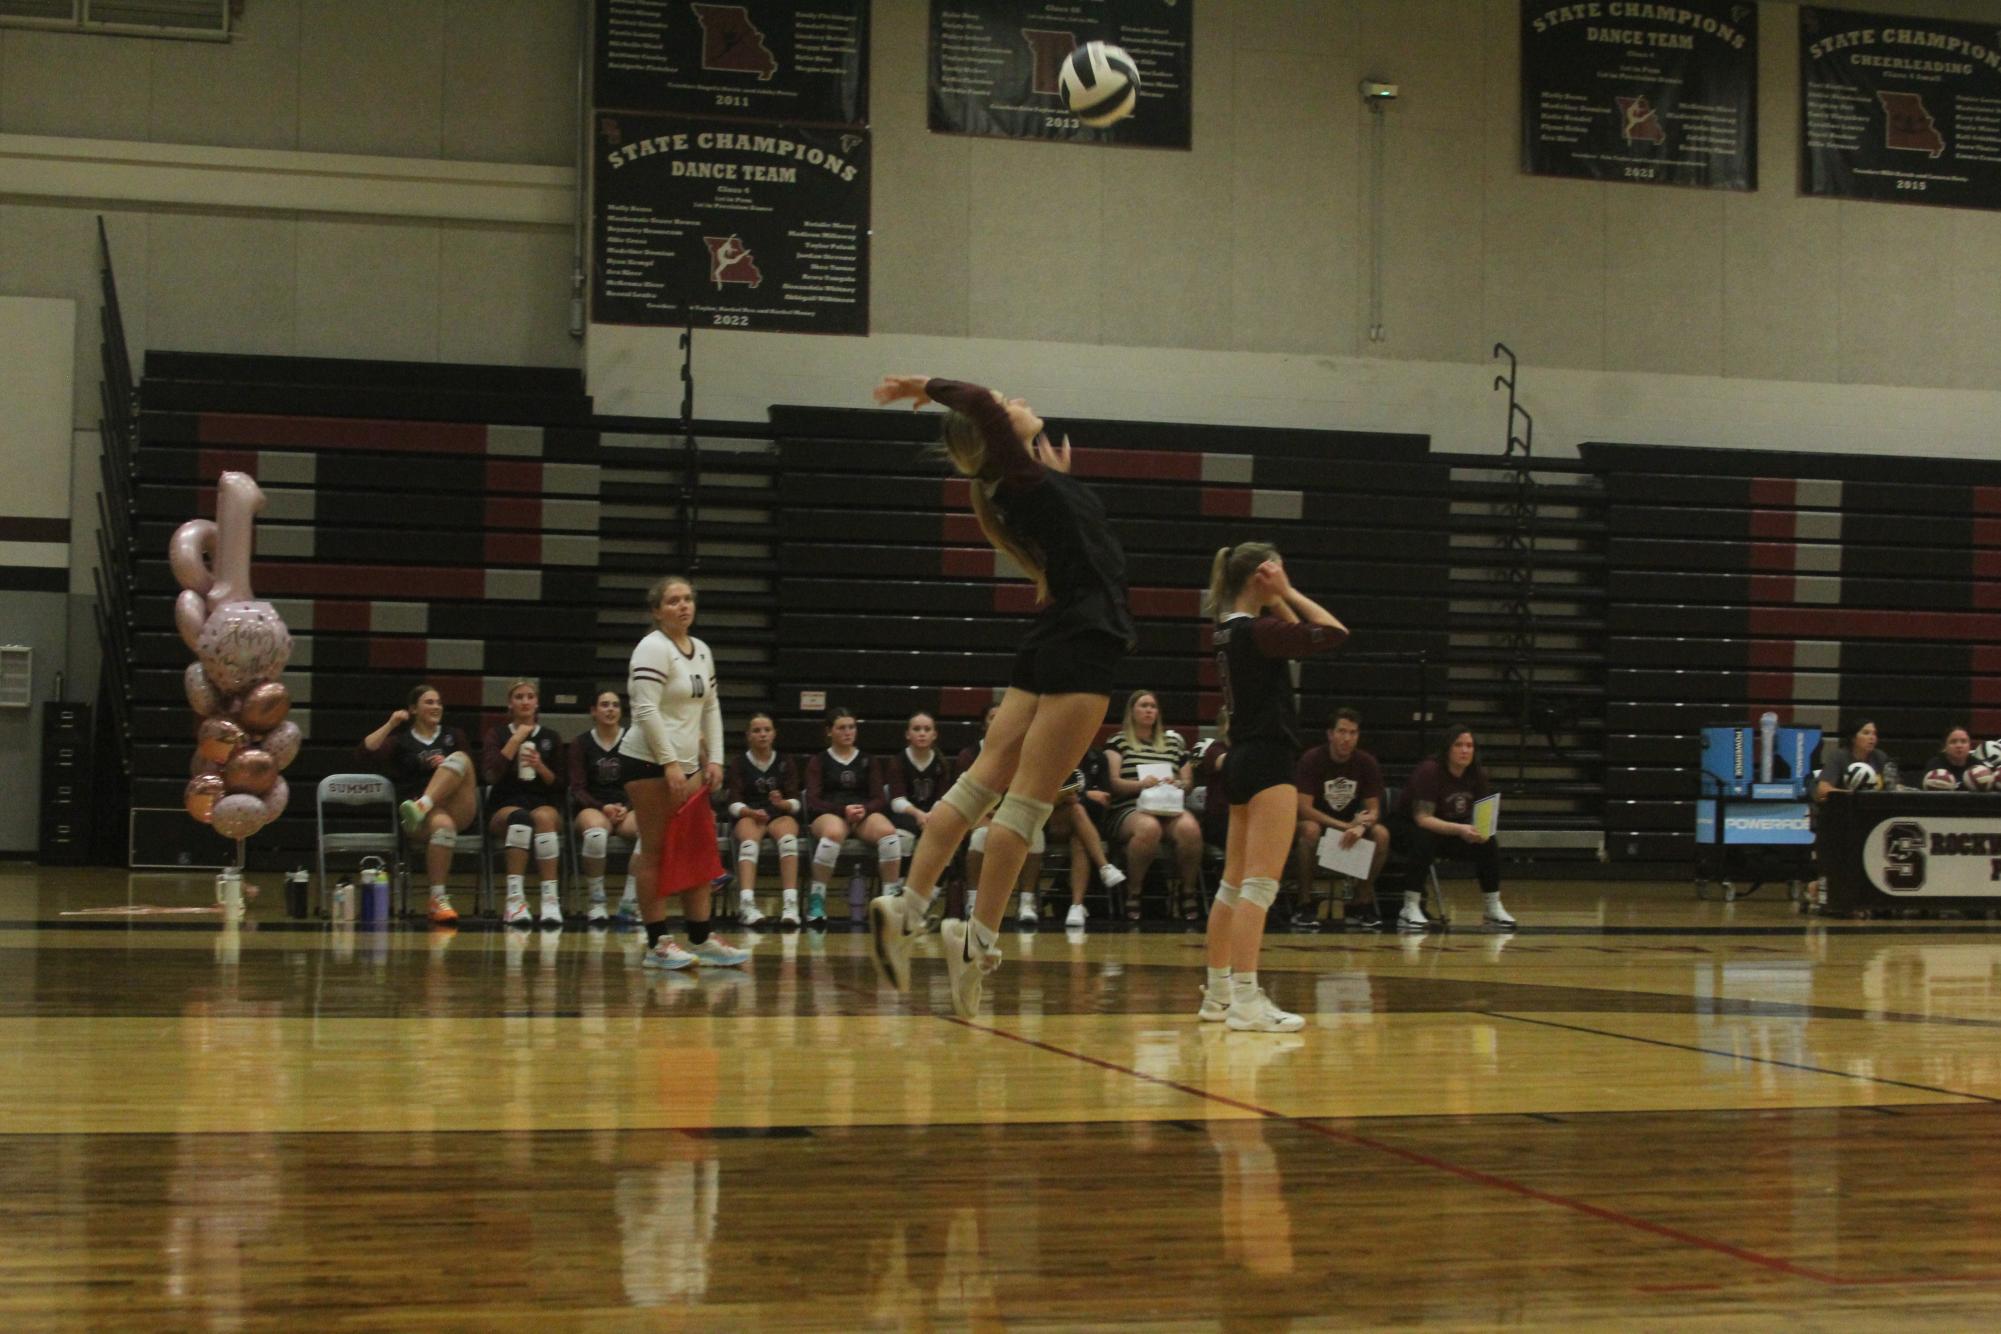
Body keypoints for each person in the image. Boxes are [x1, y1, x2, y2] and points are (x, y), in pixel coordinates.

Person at [866, 373, 1135, 1017]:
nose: (1016, 401)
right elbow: (982, 403)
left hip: (1053, 636)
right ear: (995, 436)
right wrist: (924, 385)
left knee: (982, 783)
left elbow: (1075, 539)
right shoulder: (1014, 475)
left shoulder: (1017, 486)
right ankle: (975, 939)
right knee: (1028, 804)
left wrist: (1061, 477)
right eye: (1010, 406)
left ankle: (908, 907)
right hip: (1085, 639)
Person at [1197, 544, 1348, 1032]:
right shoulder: (1259, 631)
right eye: (1279, 570)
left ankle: (1219, 993)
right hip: (1268, 760)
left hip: (1240, 758)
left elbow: (1298, 636)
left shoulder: (1227, 630)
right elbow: (1332, 633)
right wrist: (1289, 593)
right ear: (1263, 577)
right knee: (1259, 888)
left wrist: (1273, 594)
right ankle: (1246, 998)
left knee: (1233, 884)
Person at [620, 575, 749, 970]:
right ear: (657, 611)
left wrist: (715, 760)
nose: (683, 606)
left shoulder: (702, 650)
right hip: (648, 762)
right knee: (655, 850)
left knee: (697, 849)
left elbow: (710, 708)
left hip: (689, 764)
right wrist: (669, 762)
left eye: (688, 599)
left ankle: (700, 937)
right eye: (673, 601)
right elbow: (646, 711)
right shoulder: (652, 648)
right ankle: (657, 942)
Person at [365, 683, 476, 924]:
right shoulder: (401, 741)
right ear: (413, 709)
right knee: (443, 827)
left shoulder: (453, 735)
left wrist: (446, 764)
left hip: (456, 804)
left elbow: (471, 769)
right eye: (429, 702)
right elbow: (365, 752)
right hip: (425, 816)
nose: (436, 707)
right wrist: (392, 723)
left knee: (459, 758)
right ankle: (437, 900)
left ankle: (423, 804)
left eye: (438, 702)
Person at [1390, 725, 1515, 932]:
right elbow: (1422, 818)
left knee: (1489, 842)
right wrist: (1460, 829)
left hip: (1449, 829)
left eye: (1469, 745)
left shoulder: (1477, 774)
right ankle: (1410, 906)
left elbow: (1483, 812)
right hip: (1407, 827)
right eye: (1459, 745)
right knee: (1425, 837)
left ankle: (1492, 907)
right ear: (1447, 748)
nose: (1465, 750)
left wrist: (1482, 830)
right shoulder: (1429, 771)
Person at [1105, 689, 1204, 921]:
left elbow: (1189, 782)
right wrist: (1140, 785)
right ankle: (1134, 893)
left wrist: (1177, 783)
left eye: (1153, 706)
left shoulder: (1173, 742)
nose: (1149, 710)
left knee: (1190, 830)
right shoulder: (1118, 741)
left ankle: (1187, 891)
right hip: (1131, 806)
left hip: (1168, 804)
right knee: (1148, 829)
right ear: (1132, 711)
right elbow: (1112, 782)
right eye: (1143, 705)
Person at [802, 706, 904, 926]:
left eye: (851, 727)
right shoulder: (818, 761)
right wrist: (842, 811)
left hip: (862, 811)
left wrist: (864, 811)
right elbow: (812, 800)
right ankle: (817, 899)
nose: (848, 732)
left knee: (889, 836)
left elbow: (879, 797)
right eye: (841, 728)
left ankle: (889, 903)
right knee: (833, 833)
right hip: (830, 811)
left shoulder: (868, 760)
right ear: (829, 731)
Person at [1292, 708, 1388, 931]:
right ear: (1330, 734)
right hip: (1321, 825)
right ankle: (1304, 904)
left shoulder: (1366, 763)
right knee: (1310, 829)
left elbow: (1374, 810)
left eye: (1353, 733)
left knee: (1382, 835)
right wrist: (1345, 826)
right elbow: (1303, 809)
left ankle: (1360, 902)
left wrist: (1362, 827)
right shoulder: (1312, 759)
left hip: (1352, 828)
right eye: (1342, 731)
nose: (1347, 738)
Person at [483, 679, 567, 927]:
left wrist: (540, 766)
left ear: (537, 702)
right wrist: (515, 740)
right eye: (519, 697)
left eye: (530, 696)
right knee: (521, 819)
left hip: (542, 801)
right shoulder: (497, 734)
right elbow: (489, 774)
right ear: (510, 703)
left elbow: (561, 783)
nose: (525, 701)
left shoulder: (551, 736)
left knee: (541, 818)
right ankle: (515, 900)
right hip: (505, 804)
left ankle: (550, 900)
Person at [723, 711, 802, 927]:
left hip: (778, 814)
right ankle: (747, 904)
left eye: (767, 730)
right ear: (748, 735)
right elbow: (733, 802)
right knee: (748, 843)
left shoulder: (785, 761)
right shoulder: (739, 763)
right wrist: (749, 812)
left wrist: (782, 804)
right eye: (757, 731)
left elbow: (796, 802)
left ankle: (790, 904)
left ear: (774, 733)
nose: (762, 735)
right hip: (751, 814)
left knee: (788, 841)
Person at [571, 689, 641, 924]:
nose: (610, 709)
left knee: (650, 832)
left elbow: (640, 781)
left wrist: (628, 807)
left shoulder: (632, 740)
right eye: (604, 705)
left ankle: (630, 901)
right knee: (595, 835)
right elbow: (577, 787)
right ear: (593, 711)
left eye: (615, 705)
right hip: (594, 806)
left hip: (626, 807)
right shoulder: (581, 743)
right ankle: (597, 901)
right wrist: (603, 807)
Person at [1049, 744, 1126, 930]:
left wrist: (1080, 797)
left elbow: (1105, 797)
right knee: (1076, 810)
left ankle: (1076, 906)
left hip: (1083, 823)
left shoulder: (1096, 757)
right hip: (1049, 818)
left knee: (1079, 838)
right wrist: (1086, 795)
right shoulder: (1051, 752)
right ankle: (1104, 866)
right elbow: (1047, 793)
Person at [879, 709, 956, 884]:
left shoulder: (941, 763)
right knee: (903, 838)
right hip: (905, 814)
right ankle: (899, 888)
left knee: (945, 839)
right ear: (908, 734)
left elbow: (942, 798)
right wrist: (918, 815)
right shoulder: (898, 761)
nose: (922, 733)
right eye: (917, 729)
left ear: (934, 734)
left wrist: (929, 816)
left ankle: (930, 894)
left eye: (927, 729)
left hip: (932, 815)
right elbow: (897, 800)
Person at [1816, 719, 1897, 800]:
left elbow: (1893, 788)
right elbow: (1822, 790)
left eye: (1874, 733)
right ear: (1853, 738)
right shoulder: (1838, 757)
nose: (1872, 737)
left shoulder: (1880, 757)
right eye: (1866, 733)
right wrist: (1854, 796)